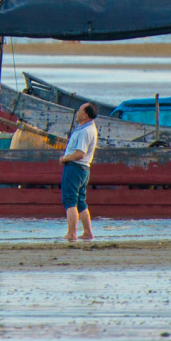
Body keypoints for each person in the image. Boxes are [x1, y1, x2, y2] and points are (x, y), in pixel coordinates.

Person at [61, 102, 98, 244]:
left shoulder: (85, 131)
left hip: (75, 167)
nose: (77, 112)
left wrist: (64, 159)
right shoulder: (88, 128)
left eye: (80, 110)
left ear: (85, 115)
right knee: (80, 202)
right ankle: (87, 232)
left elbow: (80, 153)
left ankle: (71, 233)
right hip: (83, 169)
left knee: (70, 201)